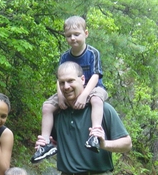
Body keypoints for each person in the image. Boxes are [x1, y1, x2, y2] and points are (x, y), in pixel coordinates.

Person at [31, 15, 109, 163]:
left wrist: (85, 94)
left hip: (93, 87)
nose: (72, 38)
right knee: (47, 106)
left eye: (76, 34)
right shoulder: (65, 56)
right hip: (68, 89)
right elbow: (59, 78)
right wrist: (60, 95)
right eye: (68, 36)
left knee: (97, 100)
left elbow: (96, 75)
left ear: (85, 33)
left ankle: (94, 135)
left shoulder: (92, 53)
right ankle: (45, 143)